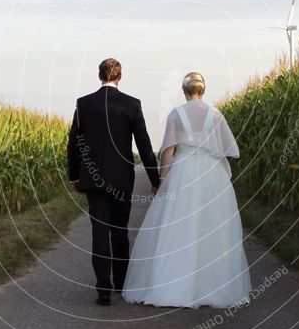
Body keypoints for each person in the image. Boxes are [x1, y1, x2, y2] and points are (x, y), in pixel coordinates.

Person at [122, 72, 252, 308]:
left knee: (176, 225)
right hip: (211, 174)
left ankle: (170, 284)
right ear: (203, 90)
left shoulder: (176, 114)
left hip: (183, 171)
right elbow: (225, 149)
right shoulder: (215, 115)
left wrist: (162, 180)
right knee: (211, 227)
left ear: (184, 90)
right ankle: (213, 286)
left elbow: (169, 150)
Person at [67, 58, 161, 306]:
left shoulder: (84, 104)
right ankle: (121, 283)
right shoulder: (131, 104)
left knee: (99, 231)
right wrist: (155, 179)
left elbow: (74, 143)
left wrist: (75, 176)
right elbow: (144, 145)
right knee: (119, 231)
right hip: (121, 179)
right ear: (120, 77)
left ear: (99, 75)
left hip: (93, 180)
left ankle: (103, 289)